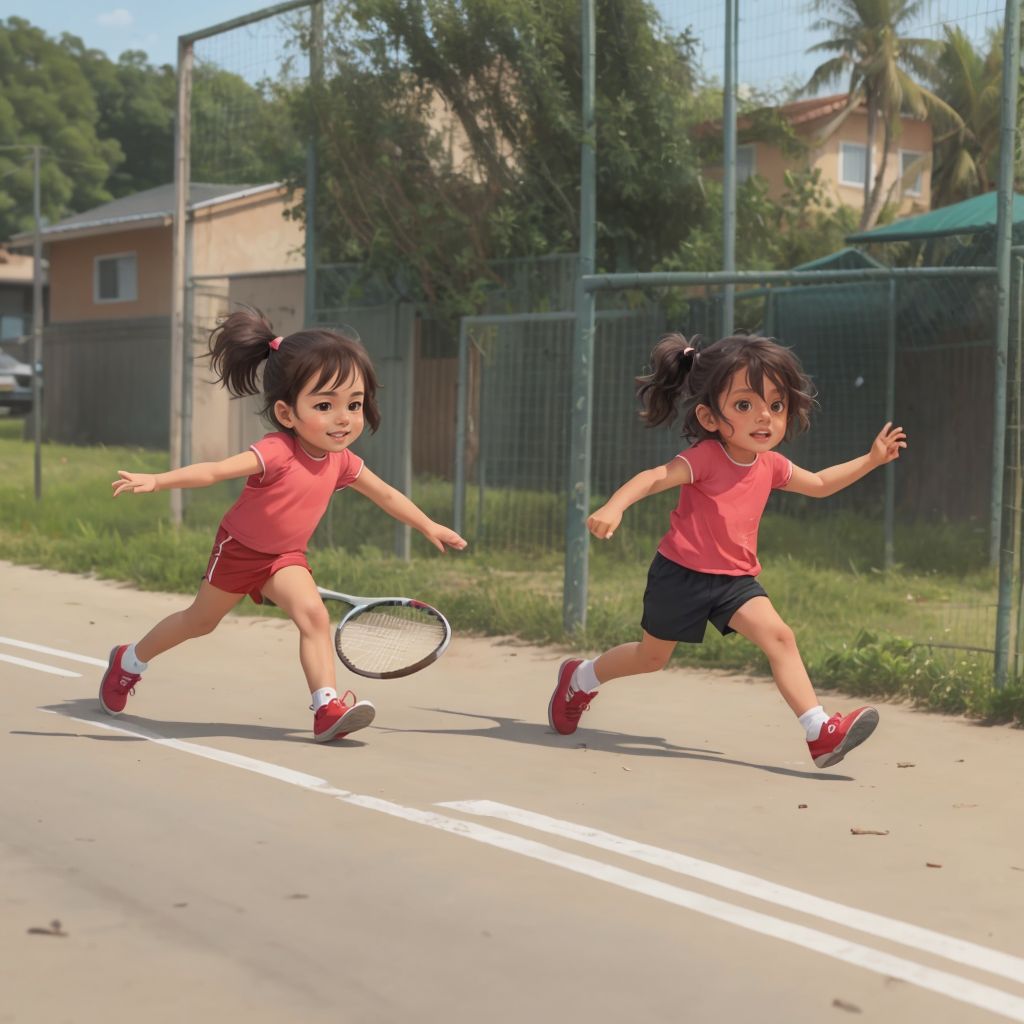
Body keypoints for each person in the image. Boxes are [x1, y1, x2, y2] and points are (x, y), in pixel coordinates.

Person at [100, 308, 467, 742]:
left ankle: (326, 708)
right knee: (199, 622)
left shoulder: (342, 461)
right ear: (287, 413)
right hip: (238, 550)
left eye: (354, 404)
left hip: (284, 557)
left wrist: (428, 525)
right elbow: (217, 471)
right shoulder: (277, 451)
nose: (344, 418)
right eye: (325, 406)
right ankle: (128, 661)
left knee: (313, 616)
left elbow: (386, 494)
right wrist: (158, 480)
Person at [548, 333, 907, 769]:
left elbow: (820, 485)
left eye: (775, 406)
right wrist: (614, 506)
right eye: (744, 405)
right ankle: (580, 678)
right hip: (680, 575)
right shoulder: (705, 458)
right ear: (709, 416)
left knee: (780, 637)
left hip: (735, 581)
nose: (764, 417)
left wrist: (871, 459)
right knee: (651, 658)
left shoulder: (771, 465)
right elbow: (653, 477)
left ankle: (819, 732)